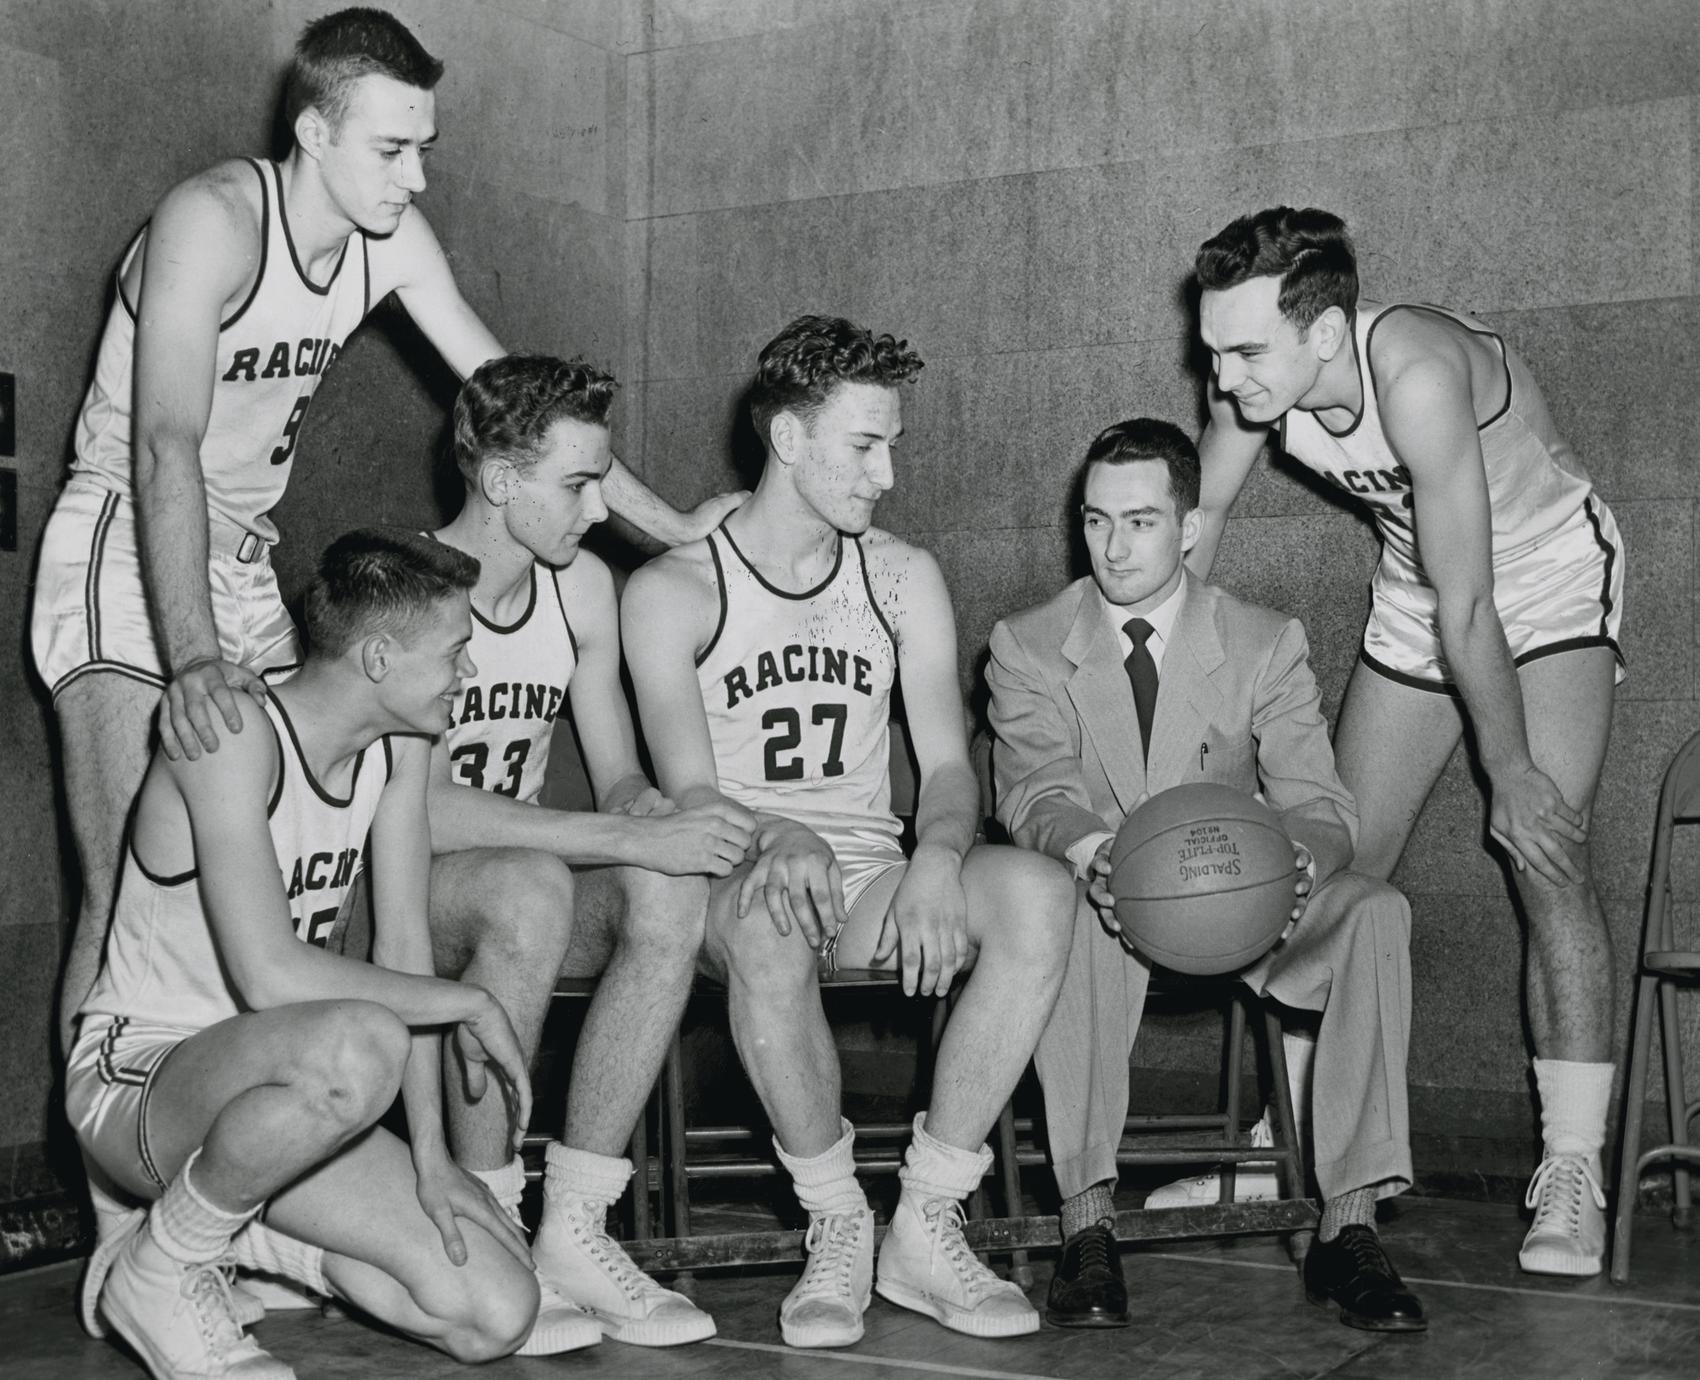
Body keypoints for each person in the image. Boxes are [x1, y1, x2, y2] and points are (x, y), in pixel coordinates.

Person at [32, 5, 743, 1063]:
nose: (414, 177)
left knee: (289, 872)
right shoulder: (212, 221)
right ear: (314, 132)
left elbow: (514, 396)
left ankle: (266, 1130)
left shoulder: (389, 239)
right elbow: (164, 448)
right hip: (126, 539)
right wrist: (193, 659)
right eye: (391, 149)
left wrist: (671, 524)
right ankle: (101, 1150)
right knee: (130, 883)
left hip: (240, 556)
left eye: (424, 149)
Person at [622, 315, 1076, 1348]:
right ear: (788, 439)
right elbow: (691, 795)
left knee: (1038, 896)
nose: (886, 475)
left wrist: (939, 856)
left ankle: (925, 1219)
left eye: (892, 445)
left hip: (868, 878)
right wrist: (782, 835)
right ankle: (837, 1221)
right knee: (772, 919)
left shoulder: (900, 575)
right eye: (864, 446)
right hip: (732, 875)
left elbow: (949, 766)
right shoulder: (673, 590)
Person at [1190, 207, 1624, 1278]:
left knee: (1546, 848)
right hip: (1422, 590)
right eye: (1213, 350)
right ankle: (1289, 1141)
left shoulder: (1417, 373)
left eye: (1245, 352)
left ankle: (1573, 1168)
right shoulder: (1250, 385)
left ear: (1325, 332)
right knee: (1330, 862)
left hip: (1541, 580)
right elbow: (1195, 532)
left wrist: (1510, 769)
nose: (1224, 377)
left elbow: (1473, 607)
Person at [66, 529, 543, 1378]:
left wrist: (431, 1156)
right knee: (362, 1041)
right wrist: (472, 1001)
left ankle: (225, 1237)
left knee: (494, 1311)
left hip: (280, 1103)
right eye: (454, 651)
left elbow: (403, 953)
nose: (467, 672)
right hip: (142, 1084)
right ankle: (162, 1268)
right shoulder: (232, 733)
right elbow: (270, 974)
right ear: (379, 657)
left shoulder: (400, 750)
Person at [987, 419, 1425, 1334]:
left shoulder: (1263, 640)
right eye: (1097, 520)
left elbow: (1321, 804)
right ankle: (1087, 1224)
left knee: (1375, 911)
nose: (1114, 546)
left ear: (1188, 527)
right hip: (1110, 903)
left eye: (1141, 521)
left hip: (1239, 905)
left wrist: (1297, 862)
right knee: (1066, 906)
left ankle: (1346, 1230)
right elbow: (1035, 793)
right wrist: (1094, 854)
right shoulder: (1028, 643)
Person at [357, 352, 754, 1351]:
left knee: (665, 890)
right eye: (578, 484)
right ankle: (490, 1219)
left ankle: (574, 1225)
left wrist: (656, 817)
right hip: (384, 901)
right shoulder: (400, 585)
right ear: (501, 481)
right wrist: (616, 833)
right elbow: (414, 814)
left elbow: (614, 770)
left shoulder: (578, 590)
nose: (598, 508)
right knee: (533, 887)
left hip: (513, 891)